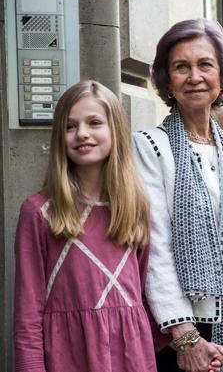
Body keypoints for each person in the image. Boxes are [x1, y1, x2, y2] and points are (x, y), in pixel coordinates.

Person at [133, 19, 223, 372]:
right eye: (181, 67)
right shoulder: (150, 145)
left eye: (205, 65)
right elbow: (156, 249)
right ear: (167, 79)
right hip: (181, 326)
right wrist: (185, 336)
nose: (194, 76)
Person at [13, 81, 156, 372]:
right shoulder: (39, 213)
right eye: (70, 126)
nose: (82, 134)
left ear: (115, 129)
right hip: (69, 356)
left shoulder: (135, 207)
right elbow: (27, 317)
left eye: (94, 123)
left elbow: (140, 291)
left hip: (132, 357)